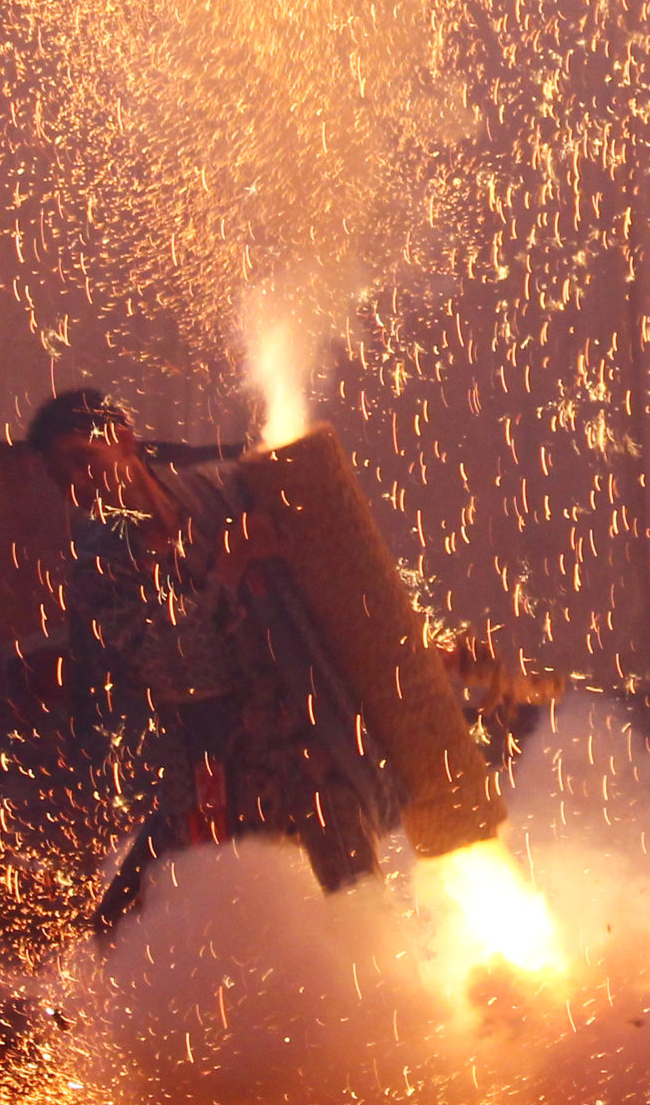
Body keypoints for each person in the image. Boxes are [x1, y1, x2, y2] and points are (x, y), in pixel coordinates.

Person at [28, 389, 403, 928]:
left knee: (355, 899)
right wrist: (227, 572)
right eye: (63, 479)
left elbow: (337, 578)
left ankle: (384, 992)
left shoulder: (228, 490)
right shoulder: (102, 568)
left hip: (312, 731)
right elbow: (177, 669)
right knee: (164, 916)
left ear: (124, 439)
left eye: (83, 460)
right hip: (211, 757)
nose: (79, 485)